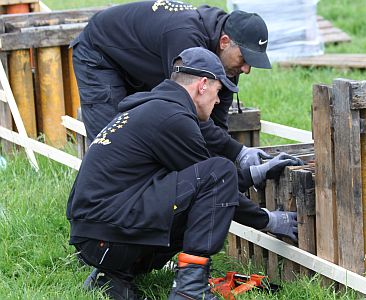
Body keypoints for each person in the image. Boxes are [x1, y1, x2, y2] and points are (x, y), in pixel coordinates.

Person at [66, 47, 303, 300]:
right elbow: (214, 183)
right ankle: (190, 289)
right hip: (107, 237)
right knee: (219, 172)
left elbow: (196, 179)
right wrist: (269, 220)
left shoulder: (155, 109)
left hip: (95, 238)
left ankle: (111, 277)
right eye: (218, 91)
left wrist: (253, 173)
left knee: (211, 180)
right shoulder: (171, 118)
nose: (219, 100)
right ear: (202, 85)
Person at [71, 0, 273, 169]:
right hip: (100, 54)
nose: (247, 69)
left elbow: (214, 121)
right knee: (112, 146)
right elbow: (183, 111)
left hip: (141, 61)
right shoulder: (186, 37)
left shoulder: (228, 61)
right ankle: (105, 207)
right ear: (224, 41)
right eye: (244, 58)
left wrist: (226, 164)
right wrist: (237, 152)